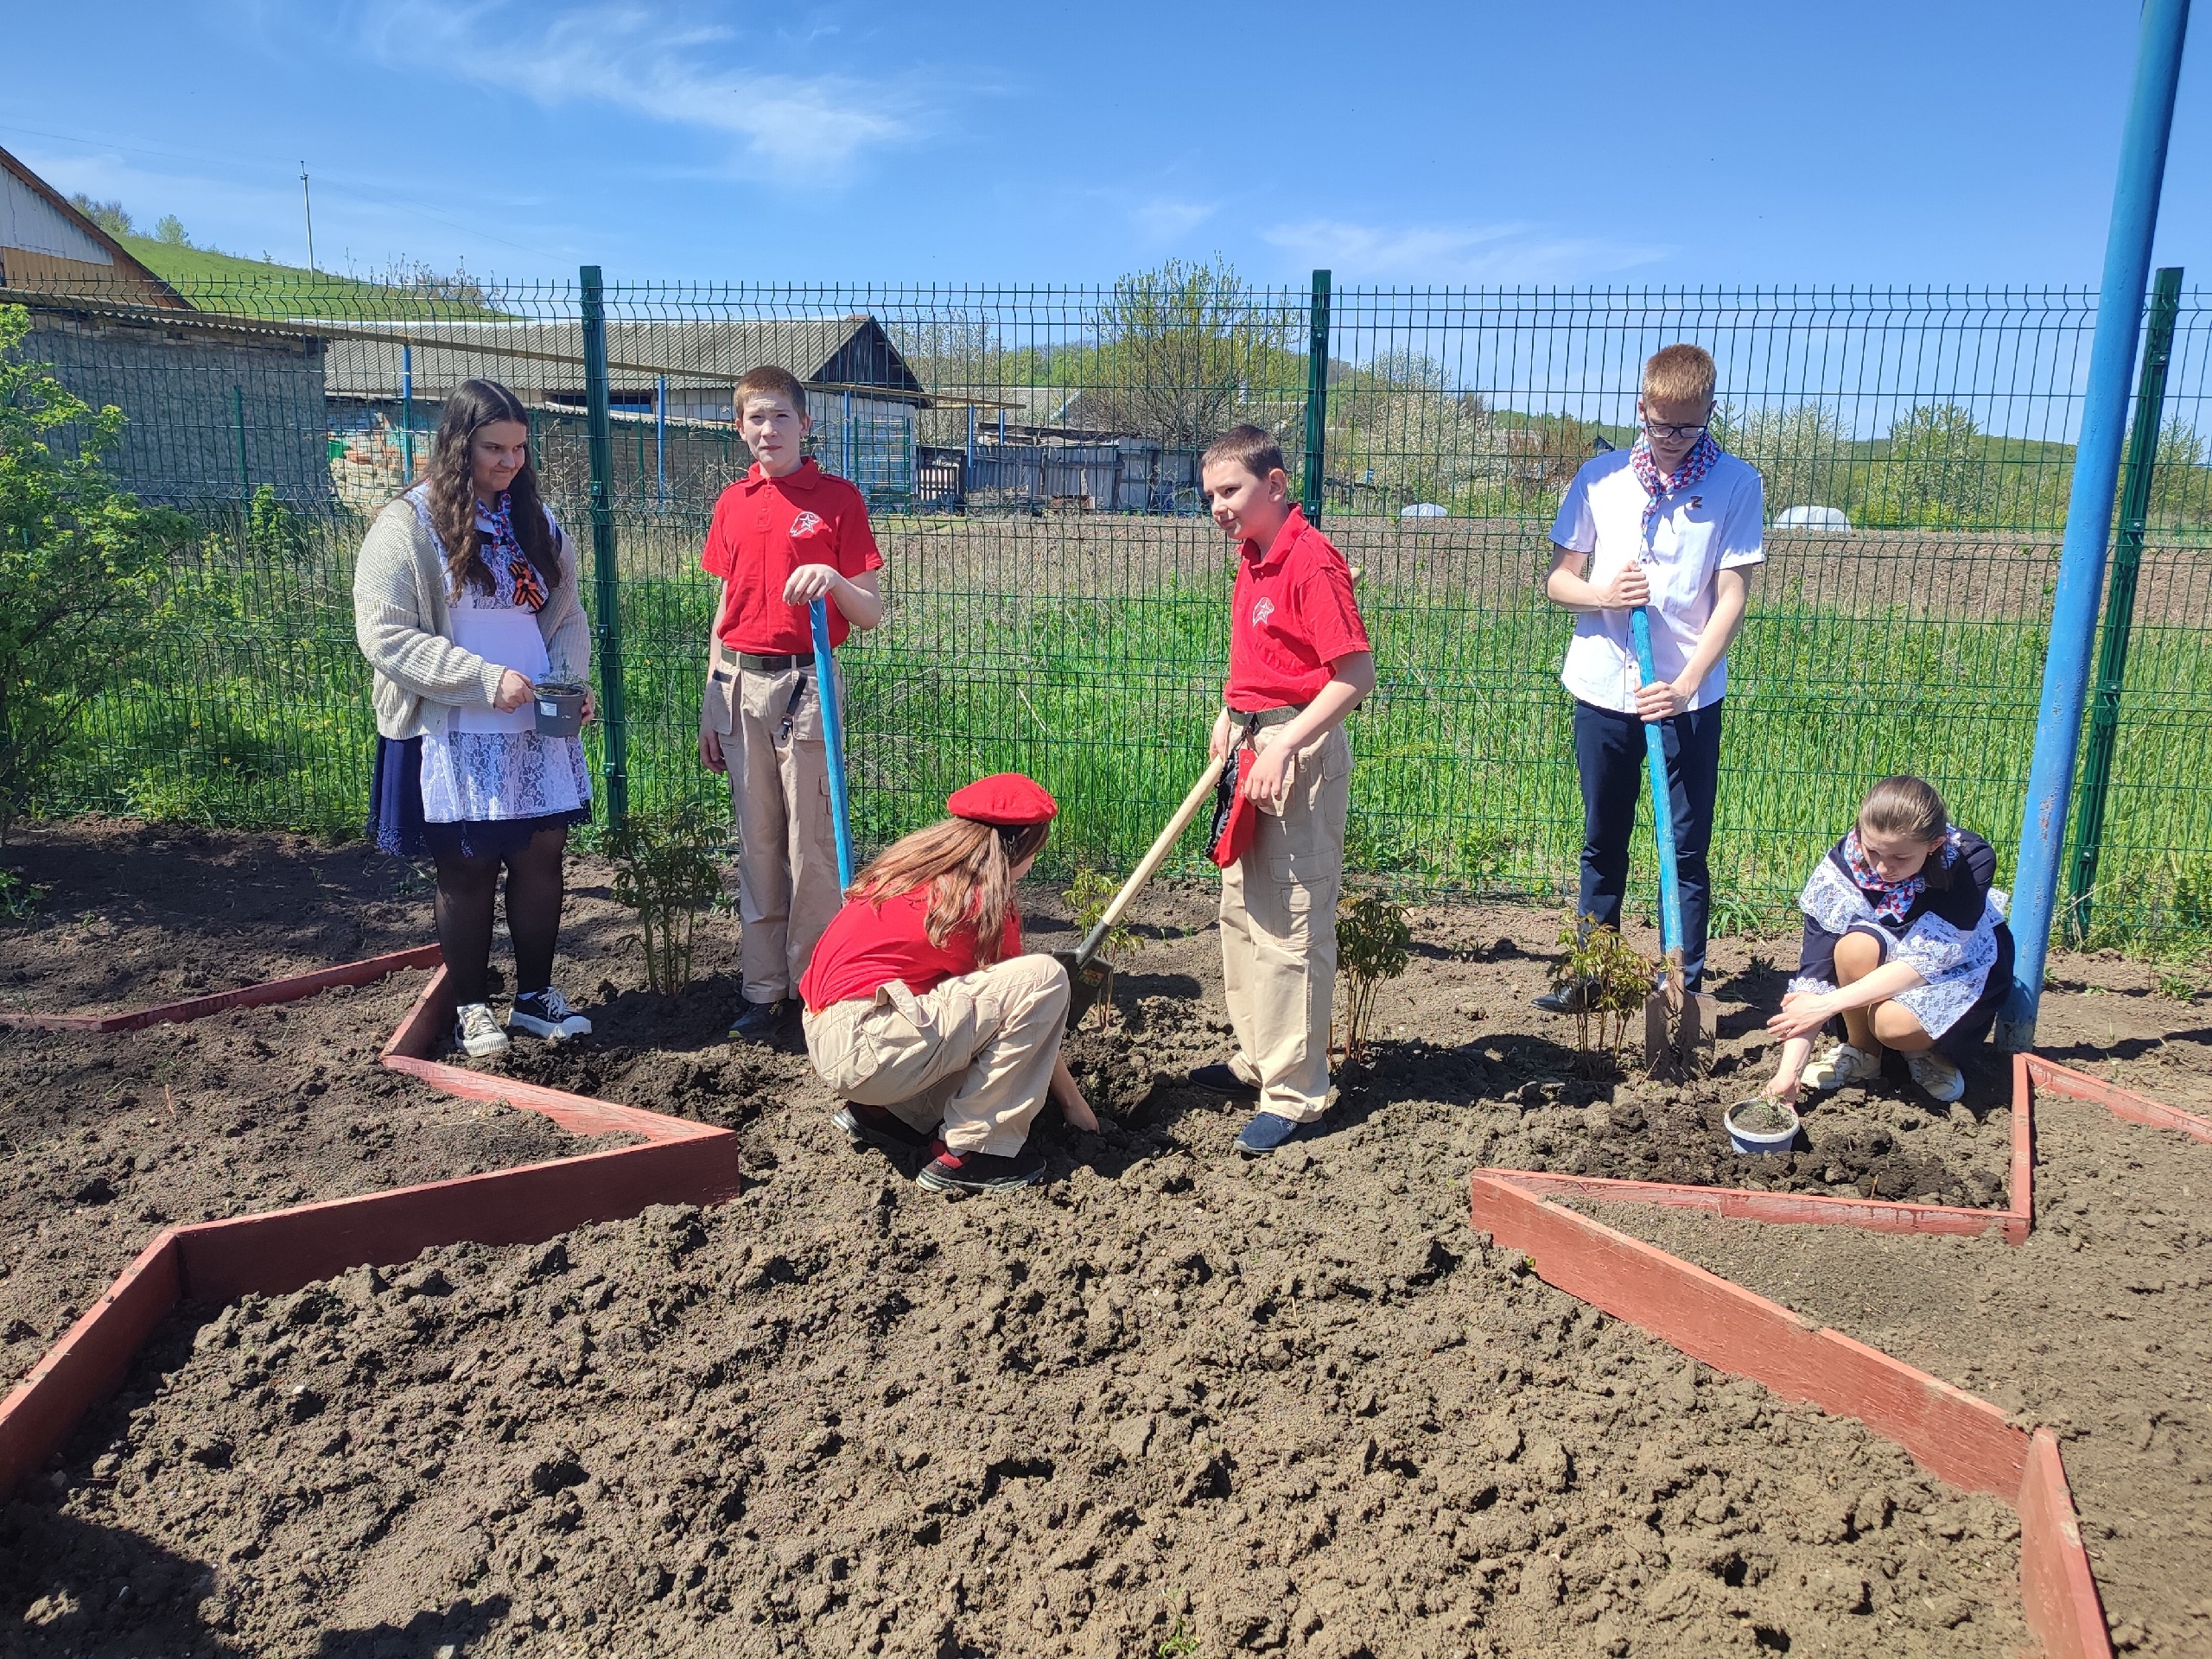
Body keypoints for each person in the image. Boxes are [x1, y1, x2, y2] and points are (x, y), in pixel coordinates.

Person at [355, 378, 594, 1058]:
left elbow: (567, 615)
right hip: (453, 725)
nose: (509, 462)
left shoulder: (537, 524)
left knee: (542, 856)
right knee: (468, 866)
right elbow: (386, 635)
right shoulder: (407, 526)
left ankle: (536, 998)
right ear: (458, 445)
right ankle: (470, 1007)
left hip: (533, 721)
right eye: (494, 448)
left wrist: (568, 682)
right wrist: (484, 680)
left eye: (519, 449)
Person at [1536, 343, 1764, 1013]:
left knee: (1686, 849)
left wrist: (1687, 683)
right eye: (1661, 425)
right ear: (1641, 408)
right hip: (1604, 684)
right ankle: (1592, 974)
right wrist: (1603, 593)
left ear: (1711, 413)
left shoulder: (1736, 484)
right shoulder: (1601, 479)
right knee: (1603, 838)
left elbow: (1732, 597)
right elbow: (1557, 581)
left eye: (1689, 428)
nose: (1672, 441)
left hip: (1686, 695)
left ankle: (1679, 986)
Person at [1185, 426, 1376, 1156]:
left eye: (1230, 491)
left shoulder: (1311, 562)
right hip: (1250, 744)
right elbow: (1261, 657)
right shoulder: (1253, 559)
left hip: (1297, 753)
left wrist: (1285, 742)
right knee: (1242, 911)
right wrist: (1230, 713)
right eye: (1210, 496)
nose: (1218, 508)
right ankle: (1260, 1057)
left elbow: (1353, 677)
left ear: (1275, 485)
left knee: (1293, 921)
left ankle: (1297, 1092)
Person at [798, 773, 1098, 1195]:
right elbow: (1028, 1011)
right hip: (870, 1046)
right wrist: (1074, 1106)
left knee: (960, 1009)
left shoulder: (911, 873)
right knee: (1044, 977)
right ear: (1024, 842)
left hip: (830, 1035)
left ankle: (885, 1116)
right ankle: (971, 1153)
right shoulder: (978, 902)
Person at [698, 365, 886, 1041]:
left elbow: (871, 612)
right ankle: (763, 989)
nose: (768, 430)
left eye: (781, 417)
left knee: (811, 847)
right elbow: (725, 609)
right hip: (740, 685)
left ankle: (816, 987)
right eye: (755, 418)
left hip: (809, 684)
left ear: (805, 425)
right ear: (739, 428)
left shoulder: (836, 500)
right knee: (758, 845)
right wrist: (711, 698)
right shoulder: (732, 503)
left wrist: (833, 578)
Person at [1764, 776, 2013, 1106]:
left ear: (1934, 845)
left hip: (1953, 963)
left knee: (1892, 1024)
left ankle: (1925, 1052)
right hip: (1888, 951)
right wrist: (1789, 1073)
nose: (1882, 868)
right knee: (1853, 948)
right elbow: (1814, 974)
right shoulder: (1842, 866)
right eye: (1873, 851)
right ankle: (1863, 1051)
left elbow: (1923, 963)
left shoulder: (1968, 861)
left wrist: (1826, 1007)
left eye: (1900, 858)